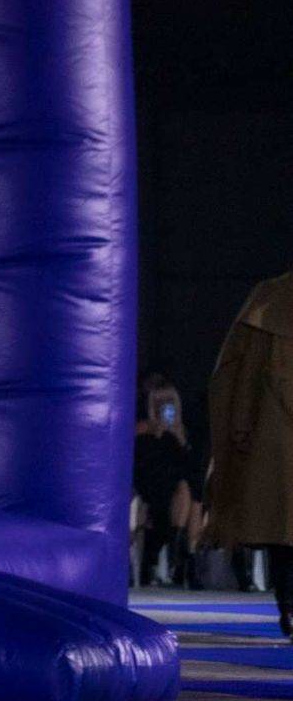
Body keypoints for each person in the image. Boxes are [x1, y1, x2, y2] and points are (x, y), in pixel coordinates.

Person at [206, 272, 293, 638]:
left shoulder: (268, 301)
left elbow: (239, 372)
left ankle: (288, 604)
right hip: (275, 434)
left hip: (273, 435)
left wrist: (240, 426)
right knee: (282, 526)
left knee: (281, 529)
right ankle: (288, 602)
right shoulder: (268, 299)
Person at [133, 372, 197, 586]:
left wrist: (179, 437)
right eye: (159, 402)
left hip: (174, 480)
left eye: (168, 402)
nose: (164, 406)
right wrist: (153, 430)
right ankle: (172, 559)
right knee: (171, 498)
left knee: (186, 492)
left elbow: (188, 463)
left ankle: (177, 555)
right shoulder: (141, 425)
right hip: (149, 478)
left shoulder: (181, 430)